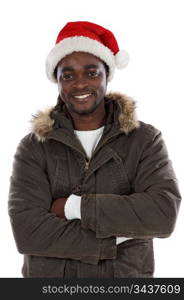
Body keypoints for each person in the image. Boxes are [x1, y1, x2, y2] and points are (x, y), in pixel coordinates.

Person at [8, 21, 181, 278]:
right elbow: (28, 232)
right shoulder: (33, 147)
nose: (79, 84)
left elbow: (162, 214)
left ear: (106, 75)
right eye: (68, 75)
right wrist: (113, 240)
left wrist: (72, 208)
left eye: (91, 73)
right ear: (56, 80)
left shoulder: (144, 139)